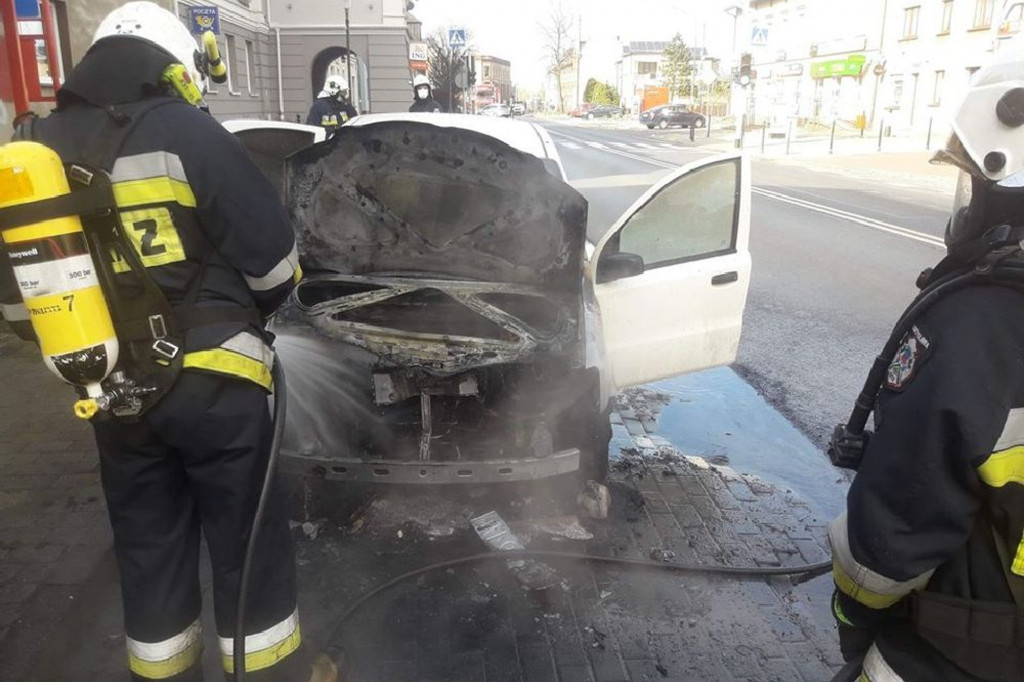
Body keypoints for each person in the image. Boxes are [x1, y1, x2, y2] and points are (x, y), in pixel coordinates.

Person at [0, 3, 336, 681]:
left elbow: (16, 305)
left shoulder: (32, 151)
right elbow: (274, 265)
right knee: (246, 544)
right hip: (219, 385)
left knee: (147, 547)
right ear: (171, 67)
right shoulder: (187, 132)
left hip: (116, 393)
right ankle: (266, 673)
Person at [828, 43, 1024, 682]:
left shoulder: (980, 322)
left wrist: (853, 615)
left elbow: (899, 524)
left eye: (971, 177)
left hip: (971, 647)